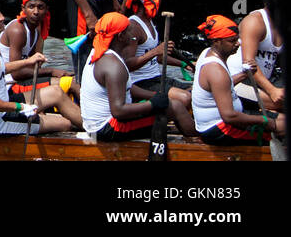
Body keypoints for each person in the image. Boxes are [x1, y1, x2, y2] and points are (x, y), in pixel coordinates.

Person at [0, 0, 76, 137]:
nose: (1, 18)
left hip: (4, 103)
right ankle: (99, 139)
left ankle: (95, 130)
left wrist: (28, 61)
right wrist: (20, 107)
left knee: (56, 92)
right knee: (65, 124)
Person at [80, 12, 194, 140]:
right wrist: (152, 104)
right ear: (121, 36)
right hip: (107, 129)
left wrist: (154, 96)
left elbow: (126, 87)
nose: (132, 34)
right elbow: (118, 111)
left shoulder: (99, 51)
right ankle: (200, 146)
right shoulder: (114, 66)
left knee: (170, 103)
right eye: (129, 31)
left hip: (98, 124)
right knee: (176, 107)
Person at [192, 14, 283, 145]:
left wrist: (244, 74)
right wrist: (264, 121)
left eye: (237, 39)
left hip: (230, 118)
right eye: (232, 41)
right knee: (282, 127)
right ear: (217, 41)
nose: (238, 44)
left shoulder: (207, 52)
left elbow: (222, 86)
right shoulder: (216, 71)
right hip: (220, 129)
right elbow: (229, 116)